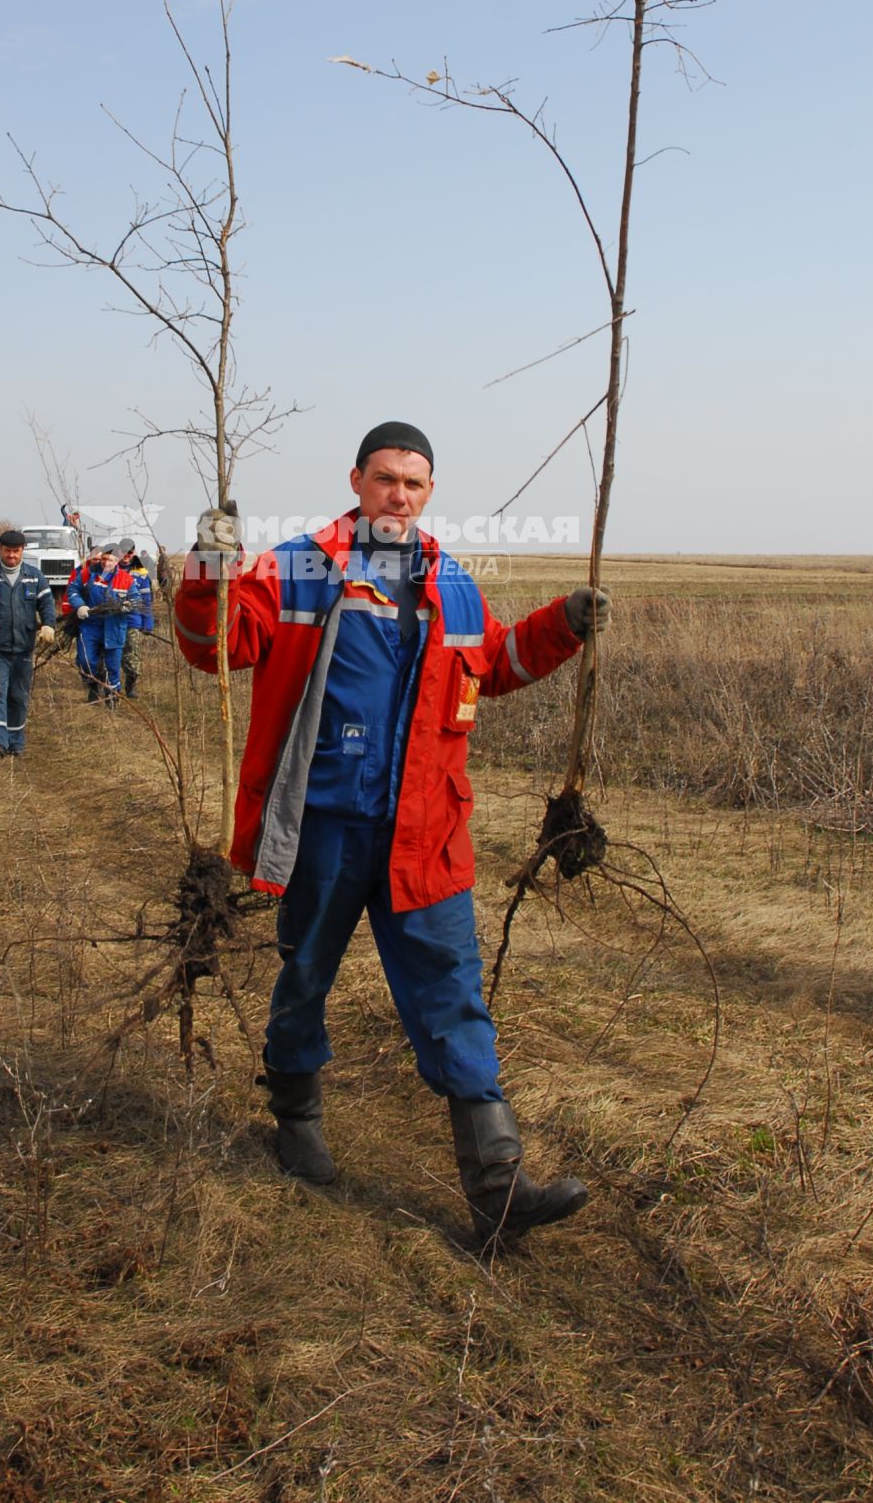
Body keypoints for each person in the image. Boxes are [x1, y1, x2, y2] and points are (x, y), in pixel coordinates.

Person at [175, 422, 611, 1244]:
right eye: (384, 479)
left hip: (427, 831)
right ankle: (295, 1117)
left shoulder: (453, 582)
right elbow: (214, 644)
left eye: (413, 483)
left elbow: (497, 663)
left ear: (429, 492)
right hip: (325, 828)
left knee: (453, 992)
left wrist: (564, 624)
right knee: (305, 974)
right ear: (356, 480)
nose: (397, 495)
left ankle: (498, 1186)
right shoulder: (300, 566)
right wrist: (208, 569)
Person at [0, 530, 57, 757]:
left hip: (24, 647)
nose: (12, 556)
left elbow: (47, 604)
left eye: (16, 551)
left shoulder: (35, 577)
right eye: (7, 551)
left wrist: (48, 625)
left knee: (18, 695)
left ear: (22, 551)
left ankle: (15, 741)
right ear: (1, 551)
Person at [64, 542, 114, 702]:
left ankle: (108, 688)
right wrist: (74, 611)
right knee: (84, 659)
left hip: (108, 624)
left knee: (108, 659)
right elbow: (70, 593)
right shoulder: (81, 573)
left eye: (100, 559)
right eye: (95, 558)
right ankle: (91, 683)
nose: (98, 561)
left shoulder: (112, 573)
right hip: (83, 620)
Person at [114, 540, 154, 700]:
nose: (126, 556)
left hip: (133, 620)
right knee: (113, 654)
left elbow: (146, 600)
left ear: (134, 553)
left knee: (132, 657)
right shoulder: (111, 568)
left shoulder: (141, 572)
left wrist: (148, 623)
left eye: (130, 553)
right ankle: (111, 685)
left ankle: (130, 685)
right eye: (123, 552)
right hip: (113, 619)